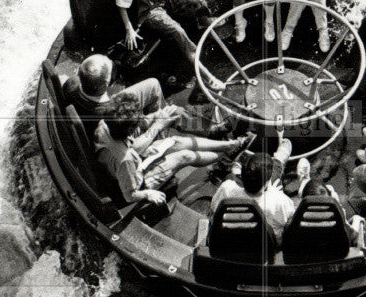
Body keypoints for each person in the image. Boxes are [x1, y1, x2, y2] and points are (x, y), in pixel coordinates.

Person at [96, 93, 252, 205]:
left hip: (136, 160)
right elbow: (129, 195)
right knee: (184, 156)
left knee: (175, 141)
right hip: (140, 180)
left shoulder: (106, 124)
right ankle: (228, 155)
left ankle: (227, 145)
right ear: (130, 130)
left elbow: (131, 145)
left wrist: (158, 117)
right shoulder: (126, 160)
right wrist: (149, 193)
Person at [211, 131, 295, 241]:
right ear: (266, 184)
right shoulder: (280, 201)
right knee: (276, 179)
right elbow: (289, 223)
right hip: (264, 247)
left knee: (230, 178)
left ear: (242, 177)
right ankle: (279, 157)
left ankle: (235, 170)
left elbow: (214, 209)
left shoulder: (226, 189)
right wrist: (273, 192)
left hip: (230, 241)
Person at [63, 54, 168, 138]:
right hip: (119, 130)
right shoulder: (111, 112)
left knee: (153, 84)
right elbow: (125, 132)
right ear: (107, 83)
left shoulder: (72, 83)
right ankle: (161, 129)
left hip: (97, 110)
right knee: (156, 116)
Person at [297, 176, 366, 245]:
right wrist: (357, 219)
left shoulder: (297, 221)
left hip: (310, 253)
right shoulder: (336, 217)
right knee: (357, 219)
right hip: (337, 253)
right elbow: (353, 235)